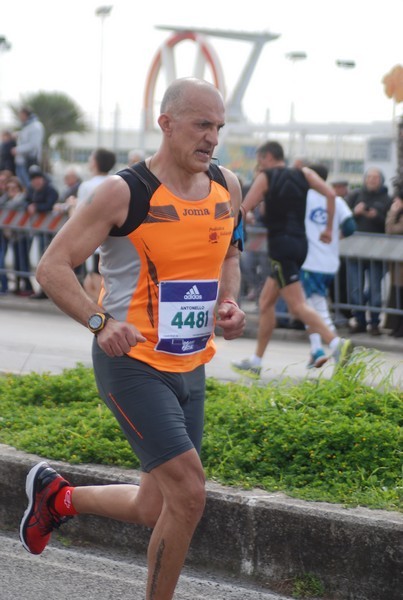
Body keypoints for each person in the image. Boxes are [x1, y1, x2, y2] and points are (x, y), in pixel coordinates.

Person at [19, 77, 246, 600]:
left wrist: (230, 305)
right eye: (201, 125)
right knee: (189, 495)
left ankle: (58, 499)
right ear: (165, 124)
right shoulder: (124, 192)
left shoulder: (226, 186)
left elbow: (230, 258)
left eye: (218, 127)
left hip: (190, 363)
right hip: (131, 363)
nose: (212, 138)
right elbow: (52, 267)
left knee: (155, 505)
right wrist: (100, 323)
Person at [232, 140, 352, 377]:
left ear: (267, 157)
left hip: (281, 246)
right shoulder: (304, 173)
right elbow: (330, 194)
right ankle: (256, 361)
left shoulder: (266, 177)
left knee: (297, 305)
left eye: (259, 160)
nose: (259, 164)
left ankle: (336, 344)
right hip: (300, 243)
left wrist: (237, 230)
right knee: (266, 303)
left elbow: (243, 209)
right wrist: (328, 229)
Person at [300, 164, 356, 368]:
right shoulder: (338, 200)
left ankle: (336, 346)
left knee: (313, 308)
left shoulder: (306, 197)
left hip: (310, 260)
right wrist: (335, 237)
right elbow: (351, 226)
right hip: (330, 261)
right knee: (311, 306)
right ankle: (316, 349)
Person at [346, 167, 392, 335]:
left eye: (376, 178)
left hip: (377, 253)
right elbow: (343, 218)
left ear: (381, 180)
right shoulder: (355, 196)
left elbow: (390, 225)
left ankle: (374, 323)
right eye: (370, 177)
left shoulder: (387, 199)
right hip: (354, 252)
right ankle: (359, 321)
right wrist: (355, 213)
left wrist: (377, 217)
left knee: (375, 290)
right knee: (355, 289)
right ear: (365, 179)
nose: (372, 180)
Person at [75, 148, 117, 301]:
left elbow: (79, 214)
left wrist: (71, 206)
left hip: (93, 240)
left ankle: (103, 314)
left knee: (93, 279)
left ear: (95, 163)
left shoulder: (87, 186)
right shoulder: (117, 182)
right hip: (113, 238)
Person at [25, 165, 59, 299]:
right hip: (39, 232)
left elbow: (50, 205)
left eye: (38, 178)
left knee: (49, 261)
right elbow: (25, 201)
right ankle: (43, 290)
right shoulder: (31, 190)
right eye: (34, 179)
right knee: (42, 260)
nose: (36, 181)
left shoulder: (50, 190)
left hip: (50, 233)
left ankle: (48, 291)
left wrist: (36, 207)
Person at [11, 107, 45, 190]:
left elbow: (33, 145)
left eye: (21, 115)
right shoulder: (27, 125)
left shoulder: (35, 126)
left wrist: (18, 150)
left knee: (30, 185)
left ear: (25, 115)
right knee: (23, 186)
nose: (19, 117)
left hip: (29, 161)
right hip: (21, 161)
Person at [385, 189, 403, 337]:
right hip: (398, 263)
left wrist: (392, 212)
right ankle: (396, 327)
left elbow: (391, 229)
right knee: (398, 294)